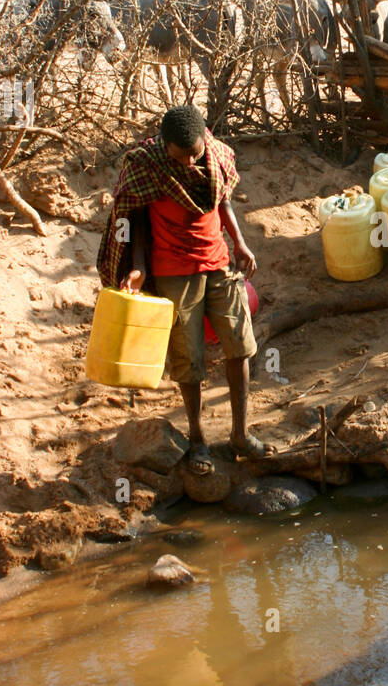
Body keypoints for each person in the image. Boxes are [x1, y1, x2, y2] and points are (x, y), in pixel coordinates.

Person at [97, 104, 269, 474]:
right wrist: (139, 268)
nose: (190, 164)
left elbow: (222, 200)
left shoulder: (215, 155)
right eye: (181, 157)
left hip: (219, 261)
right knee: (187, 360)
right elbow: (134, 219)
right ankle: (198, 440)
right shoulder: (145, 165)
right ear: (165, 147)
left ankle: (240, 435)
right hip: (175, 271)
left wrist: (240, 243)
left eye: (194, 155)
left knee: (240, 346)